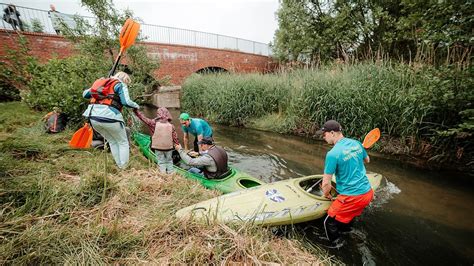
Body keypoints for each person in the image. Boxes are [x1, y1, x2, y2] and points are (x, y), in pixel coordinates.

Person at [317, 120, 373, 245]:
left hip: (352, 197)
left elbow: (326, 184)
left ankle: (337, 245)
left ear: (332, 133)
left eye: (324, 134)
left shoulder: (332, 154)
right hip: (367, 193)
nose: (323, 137)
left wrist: (327, 195)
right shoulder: (356, 143)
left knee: (328, 221)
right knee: (347, 216)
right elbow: (367, 160)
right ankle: (347, 231)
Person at [82, 71, 139, 169]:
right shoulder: (120, 84)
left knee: (112, 141)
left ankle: (119, 166)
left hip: (93, 118)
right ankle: (124, 168)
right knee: (123, 142)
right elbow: (126, 102)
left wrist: (99, 83)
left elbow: (85, 95)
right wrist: (137, 106)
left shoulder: (100, 83)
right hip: (110, 117)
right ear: (125, 80)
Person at [134, 107, 179, 174]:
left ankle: (163, 174)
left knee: (161, 161)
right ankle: (171, 173)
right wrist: (177, 145)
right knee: (169, 161)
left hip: (158, 147)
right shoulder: (171, 125)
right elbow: (175, 138)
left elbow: (143, 118)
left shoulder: (153, 123)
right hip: (169, 147)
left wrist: (136, 111)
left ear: (158, 114)